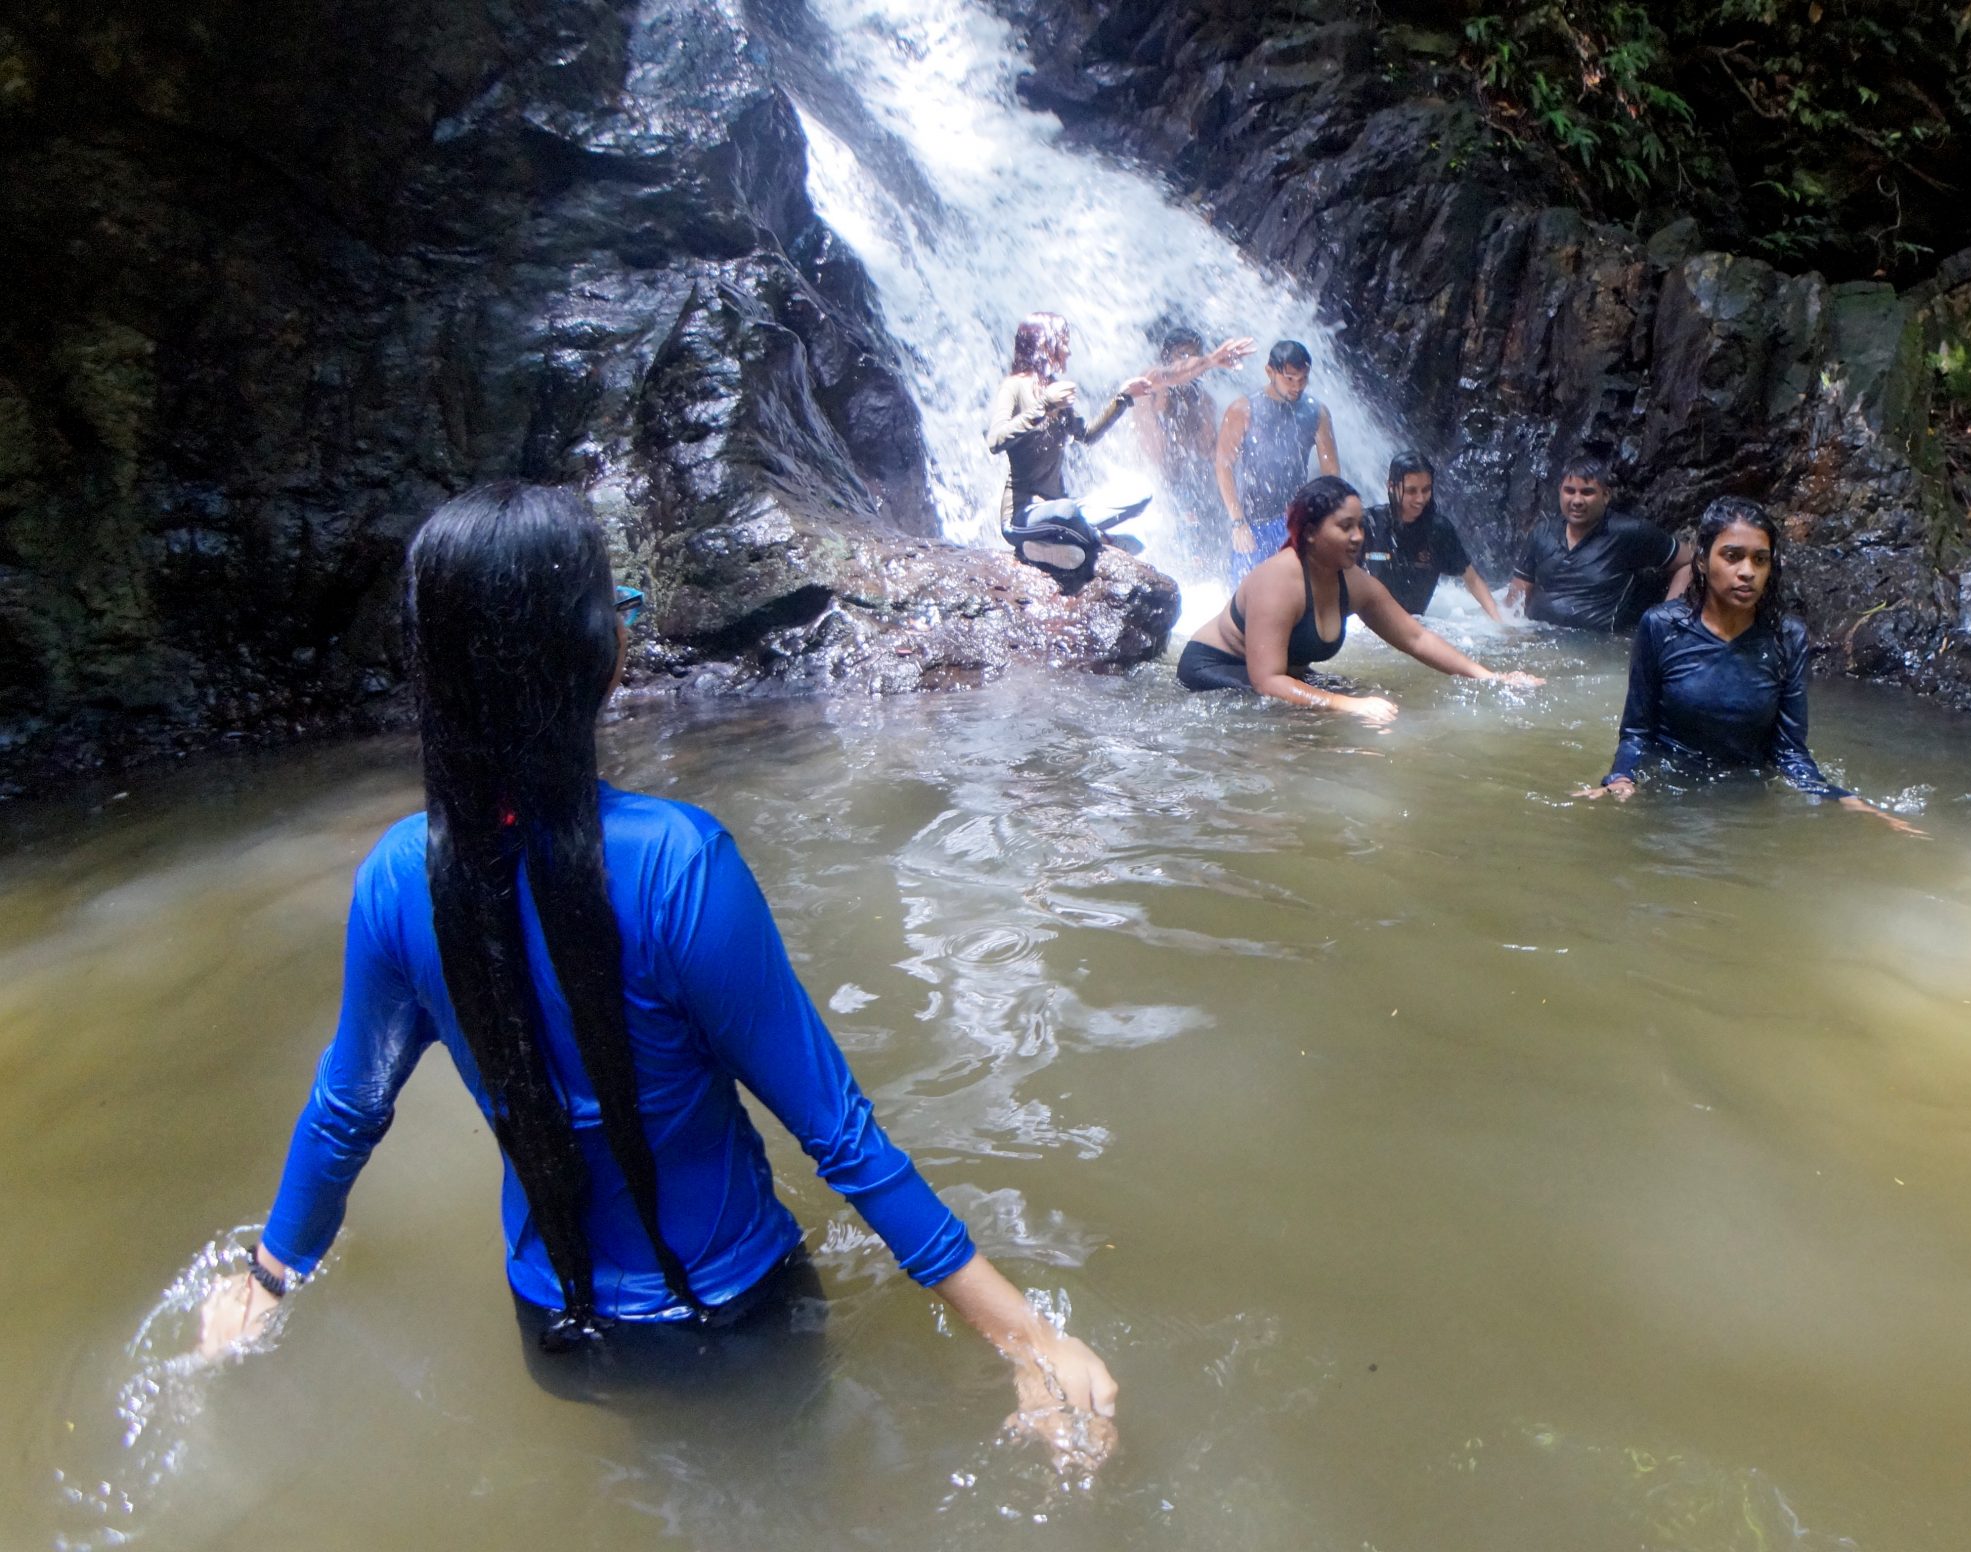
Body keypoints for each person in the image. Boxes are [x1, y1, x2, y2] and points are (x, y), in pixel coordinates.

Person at [195, 485, 1120, 1465]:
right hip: (736, 1322)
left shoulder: (396, 879)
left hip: (554, 1331)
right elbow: (837, 1132)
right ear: (601, 656)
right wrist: (1027, 1336)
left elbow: (349, 1106)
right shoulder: (680, 864)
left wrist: (268, 1273)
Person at [1580, 496, 1923, 836]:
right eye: (1732, 556)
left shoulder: (1787, 638)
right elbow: (1637, 732)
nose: (1747, 572)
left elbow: (1789, 751)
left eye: (1760, 560)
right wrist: (1620, 779)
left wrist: (1844, 800)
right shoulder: (1660, 627)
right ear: (1701, 560)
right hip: (1669, 795)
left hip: (1746, 805)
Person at [1176, 475, 1542, 721]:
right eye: (1344, 527)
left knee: (1371, 700)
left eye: (1360, 526)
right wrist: (1348, 706)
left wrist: (1491, 677)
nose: (1358, 537)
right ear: (1311, 533)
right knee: (1317, 714)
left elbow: (1416, 637)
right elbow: (1267, 681)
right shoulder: (1278, 581)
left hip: (1278, 674)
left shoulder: (1353, 582)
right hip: (1215, 668)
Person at [986, 311, 1155, 526]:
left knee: (1141, 494)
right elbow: (995, 441)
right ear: (1045, 345)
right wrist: (1044, 407)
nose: (1069, 351)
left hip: (1061, 506)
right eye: (1064, 343)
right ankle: (1081, 538)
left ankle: (1072, 539)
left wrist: (1123, 397)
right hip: (1024, 514)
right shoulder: (1014, 386)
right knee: (1067, 512)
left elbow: (1087, 435)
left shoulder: (1053, 388)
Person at [1504, 455, 1694, 632]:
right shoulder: (1542, 533)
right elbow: (1517, 596)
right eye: (1570, 491)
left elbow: (1689, 561)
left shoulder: (1629, 533)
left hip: (1594, 648)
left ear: (1605, 495)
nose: (1577, 500)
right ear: (1560, 492)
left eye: (1587, 492)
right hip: (1537, 640)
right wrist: (1511, 632)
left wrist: (1668, 618)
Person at [1133, 326, 1254, 575]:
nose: (1191, 363)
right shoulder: (1150, 385)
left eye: (1195, 356)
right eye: (1183, 355)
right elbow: (1154, 453)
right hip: (1155, 490)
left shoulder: (1203, 401)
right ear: (1167, 357)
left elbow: (1211, 454)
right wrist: (1208, 361)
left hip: (1191, 489)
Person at [1216, 340, 1340, 580]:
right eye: (1290, 378)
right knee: (1247, 601)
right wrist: (1238, 522)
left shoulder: (1317, 412)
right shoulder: (1243, 409)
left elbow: (1332, 475)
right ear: (1269, 372)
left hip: (1296, 523)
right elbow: (1223, 466)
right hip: (1253, 522)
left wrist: (1326, 521)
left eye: (1303, 379)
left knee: (1296, 599)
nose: (1297, 386)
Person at [1362, 451, 1504, 624]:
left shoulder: (1438, 530)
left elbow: (1472, 580)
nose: (1420, 499)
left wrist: (1500, 624)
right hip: (1369, 627)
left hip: (1416, 625)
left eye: (1426, 490)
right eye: (1411, 491)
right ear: (1391, 486)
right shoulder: (1369, 523)